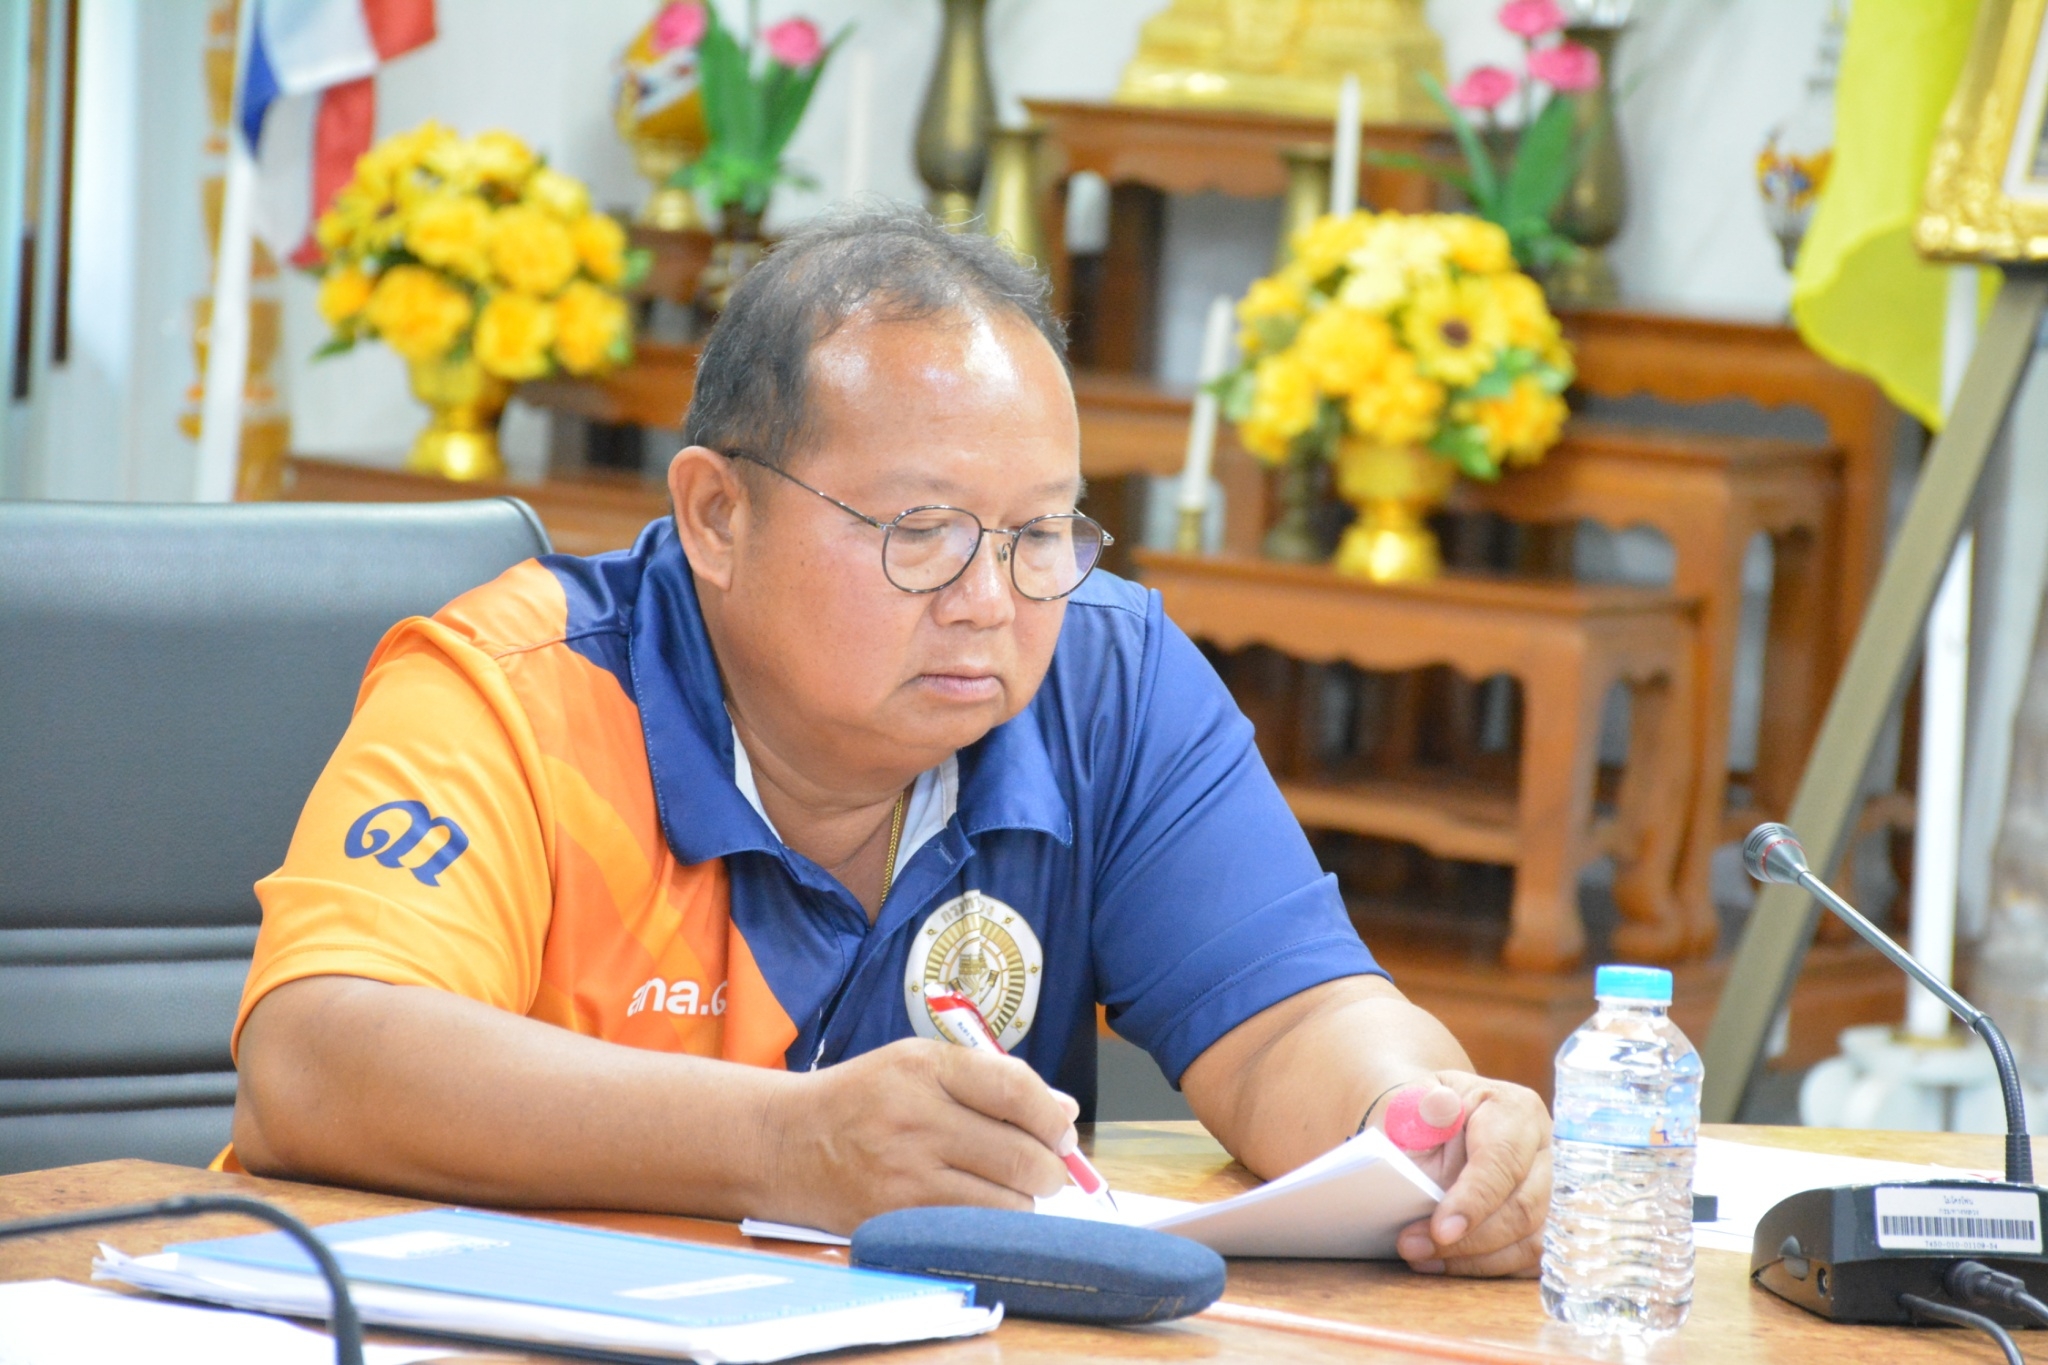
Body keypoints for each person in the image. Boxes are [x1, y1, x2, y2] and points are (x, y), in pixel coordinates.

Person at [232, 204, 1550, 1276]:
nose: (991, 599)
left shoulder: (1106, 677)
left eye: (1041, 533)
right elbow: (317, 1059)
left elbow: (1290, 1022)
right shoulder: (517, 689)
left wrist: (1420, 1127)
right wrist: (784, 1145)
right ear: (717, 515)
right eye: (922, 532)